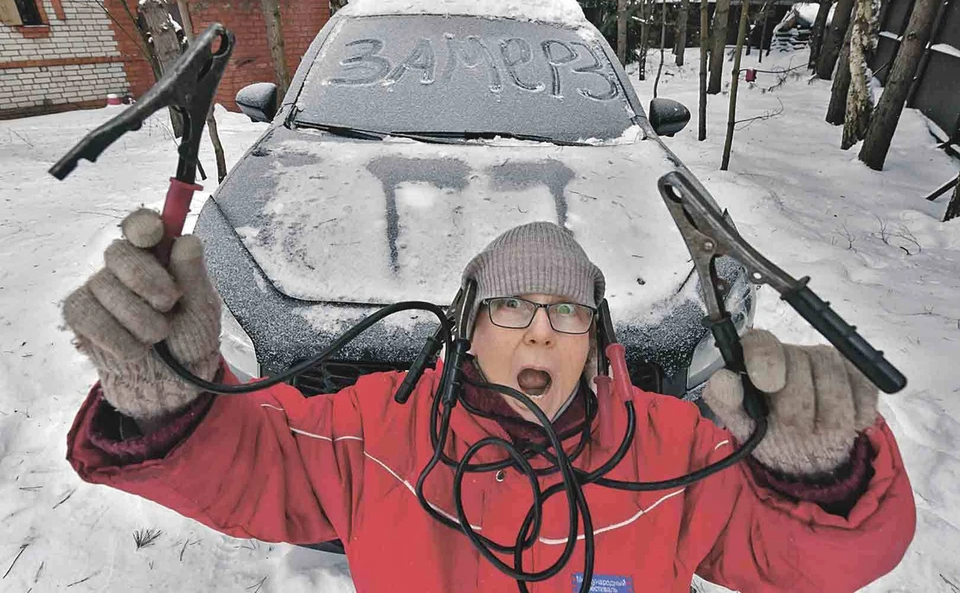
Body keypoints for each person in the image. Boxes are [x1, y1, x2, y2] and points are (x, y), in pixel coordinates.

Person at [63, 210, 916, 592]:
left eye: (567, 310)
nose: (540, 332)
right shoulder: (373, 427)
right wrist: (166, 403)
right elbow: (254, 467)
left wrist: (819, 477)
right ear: (467, 328)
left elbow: (805, 564)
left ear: (595, 334)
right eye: (511, 307)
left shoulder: (672, 447)